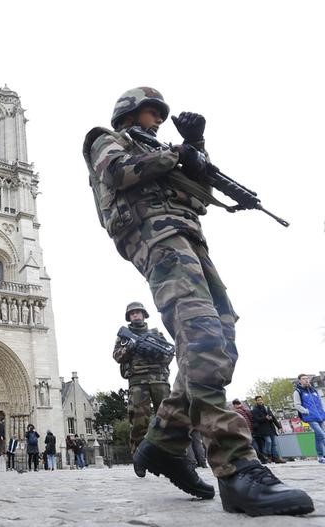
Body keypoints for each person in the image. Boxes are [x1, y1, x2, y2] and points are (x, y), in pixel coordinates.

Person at [83, 87, 313, 515]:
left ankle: (164, 443)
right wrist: (179, 153)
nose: (157, 121)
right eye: (151, 114)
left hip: (188, 239)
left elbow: (195, 189)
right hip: (157, 239)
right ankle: (237, 467)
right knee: (203, 337)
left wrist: (198, 150)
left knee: (221, 338)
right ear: (130, 115)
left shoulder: (159, 148)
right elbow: (120, 173)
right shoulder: (106, 139)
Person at [113, 302, 173, 455]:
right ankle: (139, 455)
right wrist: (130, 348)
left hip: (159, 379)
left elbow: (169, 354)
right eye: (132, 313)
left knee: (168, 418)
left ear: (144, 315)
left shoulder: (156, 333)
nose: (136, 315)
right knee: (139, 421)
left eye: (138, 312)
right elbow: (117, 356)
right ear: (129, 317)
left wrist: (155, 352)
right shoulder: (124, 337)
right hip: (138, 381)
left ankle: (171, 454)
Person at [293, 374, 325, 464]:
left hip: (320, 416)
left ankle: (320, 456)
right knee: (322, 434)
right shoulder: (298, 391)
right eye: (303, 379)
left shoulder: (313, 390)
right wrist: (306, 411)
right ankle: (321, 456)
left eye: (307, 378)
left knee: (318, 437)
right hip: (310, 417)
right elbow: (297, 405)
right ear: (299, 381)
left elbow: (320, 402)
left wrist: (323, 411)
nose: (306, 380)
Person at [251, 396, 285, 464]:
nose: (260, 401)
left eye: (261, 400)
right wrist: (265, 418)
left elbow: (273, 418)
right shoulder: (254, 410)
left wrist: (279, 427)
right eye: (258, 400)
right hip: (263, 429)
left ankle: (276, 458)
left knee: (274, 443)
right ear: (256, 401)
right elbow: (256, 419)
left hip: (271, 428)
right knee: (268, 442)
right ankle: (267, 456)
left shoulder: (266, 408)